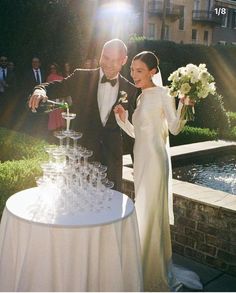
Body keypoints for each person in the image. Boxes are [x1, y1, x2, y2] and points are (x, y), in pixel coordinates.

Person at [114, 51, 195, 291]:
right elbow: (137, 134)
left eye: (139, 70)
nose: (134, 74)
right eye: (132, 70)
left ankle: (152, 269)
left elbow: (174, 128)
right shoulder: (140, 97)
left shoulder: (163, 93)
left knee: (150, 211)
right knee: (143, 209)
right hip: (140, 161)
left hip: (156, 163)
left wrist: (183, 105)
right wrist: (123, 118)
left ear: (152, 72)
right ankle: (140, 260)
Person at [28, 39, 138, 191]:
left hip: (112, 159)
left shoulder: (129, 89)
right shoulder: (81, 77)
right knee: (77, 202)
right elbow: (57, 86)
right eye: (105, 57)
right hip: (81, 156)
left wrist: (138, 165)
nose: (107, 63)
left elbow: (131, 130)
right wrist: (40, 90)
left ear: (124, 60)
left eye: (114, 61)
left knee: (111, 207)